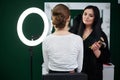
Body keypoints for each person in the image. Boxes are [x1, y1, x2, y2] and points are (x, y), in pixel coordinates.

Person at [69, 5, 111, 80]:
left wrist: (96, 51)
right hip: (76, 72)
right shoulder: (75, 32)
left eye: (90, 15)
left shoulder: (101, 35)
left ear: (95, 18)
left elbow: (106, 58)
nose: (86, 17)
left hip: (94, 74)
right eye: (85, 14)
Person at [42, 4, 83, 75]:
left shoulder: (46, 40)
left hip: (53, 77)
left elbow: (47, 68)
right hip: (72, 77)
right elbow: (79, 68)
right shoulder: (78, 39)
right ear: (69, 18)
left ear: (53, 18)